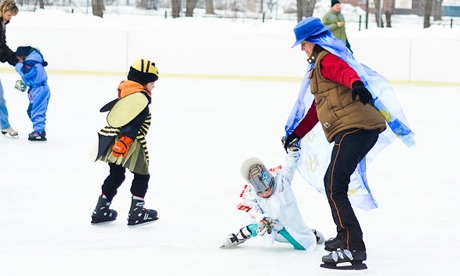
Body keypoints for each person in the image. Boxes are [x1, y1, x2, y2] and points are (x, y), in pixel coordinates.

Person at [285, 17, 388, 269]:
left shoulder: (327, 59)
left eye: (304, 43)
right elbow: (315, 109)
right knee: (333, 183)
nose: (302, 48)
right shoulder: (318, 67)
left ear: (314, 41)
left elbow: (345, 71)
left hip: (356, 129)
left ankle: (354, 248)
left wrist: (355, 84)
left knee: (334, 185)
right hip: (353, 129)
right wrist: (296, 133)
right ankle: (345, 236)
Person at [221, 138, 325, 251]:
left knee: (302, 245)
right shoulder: (251, 194)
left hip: (288, 225)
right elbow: (252, 208)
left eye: (268, 189)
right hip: (267, 226)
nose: (265, 193)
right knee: (253, 227)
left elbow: (289, 166)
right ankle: (239, 236)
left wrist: (292, 151)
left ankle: (309, 233)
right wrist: (261, 218)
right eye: (261, 192)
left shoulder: (281, 180)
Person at [91, 59, 159, 226]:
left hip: (114, 139)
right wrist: (126, 140)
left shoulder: (126, 92)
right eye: (152, 82)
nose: (154, 87)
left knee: (116, 174)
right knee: (142, 175)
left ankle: (101, 209)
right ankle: (137, 211)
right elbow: (133, 123)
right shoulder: (140, 100)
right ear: (143, 81)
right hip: (130, 142)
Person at [14, 46, 50, 141]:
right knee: (32, 110)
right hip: (40, 88)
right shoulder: (35, 61)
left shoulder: (30, 63)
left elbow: (25, 73)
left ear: (23, 57)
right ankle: (39, 128)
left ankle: (39, 131)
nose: (19, 62)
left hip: (37, 90)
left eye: (19, 59)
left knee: (36, 110)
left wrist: (18, 66)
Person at [0, 0, 18, 137]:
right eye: (8, 14)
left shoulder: (2, 25)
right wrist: (10, 58)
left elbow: (2, 45)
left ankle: (5, 126)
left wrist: (13, 57)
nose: (9, 18)